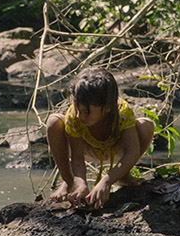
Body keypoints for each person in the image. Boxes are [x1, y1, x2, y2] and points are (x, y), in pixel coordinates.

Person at [45, 67, 154, 210]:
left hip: (115, 149)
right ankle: (69, 182)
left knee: (146, 125)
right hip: (87, 149)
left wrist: (106, 181)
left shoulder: (122, 112)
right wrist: (81, 183)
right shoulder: (75, 116)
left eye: (87, 112)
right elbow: (77, 157)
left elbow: (132, 151)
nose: (80, 116)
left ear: (108, 107)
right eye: (78, 109)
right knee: (53, 122)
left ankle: (123, 176)